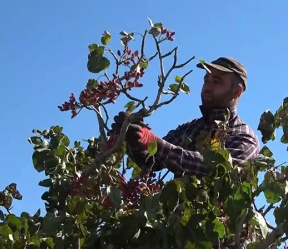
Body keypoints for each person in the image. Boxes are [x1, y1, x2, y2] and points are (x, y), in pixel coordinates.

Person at [109, 57, 261, 177]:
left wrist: (151, 141)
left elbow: (215, 170)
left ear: (237, 92)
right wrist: (133, 139)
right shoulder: (190, 128)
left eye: (217, 81)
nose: (208, 86)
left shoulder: (244, 136)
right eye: (206, 80)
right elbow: (151, 162)